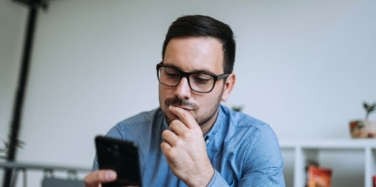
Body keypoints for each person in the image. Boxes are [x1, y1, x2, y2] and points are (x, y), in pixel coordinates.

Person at [84, 15, 285, 187]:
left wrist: (204, 178)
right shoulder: (124, 136)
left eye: (201, 79)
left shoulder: (255, 141)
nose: (181, 92)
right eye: (171, 74)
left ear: (227, 87)